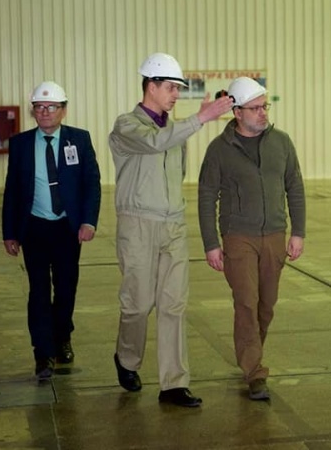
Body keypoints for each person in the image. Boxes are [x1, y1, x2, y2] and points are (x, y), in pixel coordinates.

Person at [109, 52, 232, 407]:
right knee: (138, 304)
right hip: (138, 225)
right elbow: (155, 142)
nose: (176, 94)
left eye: (178, 88)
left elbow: (177, 171)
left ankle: (174, 384)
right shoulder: (126, 126)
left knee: (173, 304)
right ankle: (127, 358)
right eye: (171, 87)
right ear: (151, 86)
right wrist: (201, 117)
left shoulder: (176, 130)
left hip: (173, 224)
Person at [198, 76, 305, 401]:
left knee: (266, 306)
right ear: (237, 113)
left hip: (274, 235)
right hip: (238, 237)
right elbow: (206, 196)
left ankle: (250, 351)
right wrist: (211, 243)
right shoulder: (219, 150)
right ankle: (255, 371)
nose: (263, 113)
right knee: (246, 302)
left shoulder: (282, 143)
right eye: (255, 108)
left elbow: (295, 187)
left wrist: (298, 231)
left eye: (264, 106)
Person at [1, 81, 101, 381]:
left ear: (63, 110)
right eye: (39, 107)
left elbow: (91, 183)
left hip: (67, 228)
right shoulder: (20, 144)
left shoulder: (79, 139)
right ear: (33, 111)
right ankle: (43, 352)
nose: (45, 112)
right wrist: (9, 232)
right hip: (34, 227)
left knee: (66, 288)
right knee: (39, 291)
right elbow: (12, 190)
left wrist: (88, 221)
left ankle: (62, 337)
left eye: (52, 107)